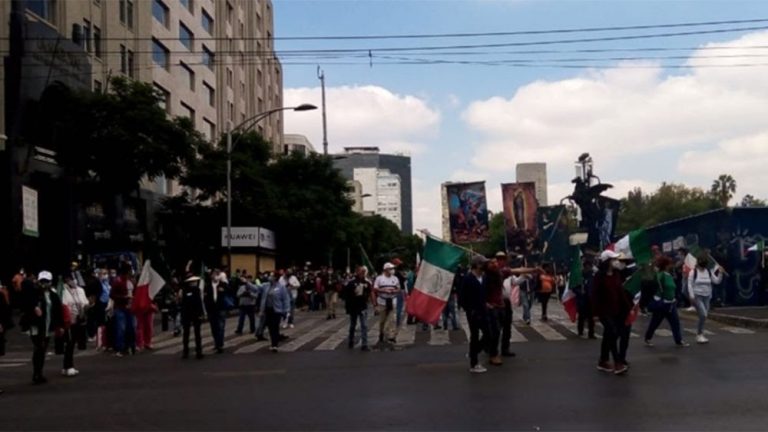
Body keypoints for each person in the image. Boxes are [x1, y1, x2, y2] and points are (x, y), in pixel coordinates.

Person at [591, 251, 633, 375]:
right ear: (606, 261)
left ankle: (603, 360)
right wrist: (594, 314)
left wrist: (629, 307)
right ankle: (617, 363)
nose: (616, 261)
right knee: (612, 332)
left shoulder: (616, 274)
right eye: (613, 259)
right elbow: (594, 295)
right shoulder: (599, 276)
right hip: (604, 311)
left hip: (616, 310)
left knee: (609, 334)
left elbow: (620, 292)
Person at [20, 271, 64, 384]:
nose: (44, 284)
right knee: (39, 347)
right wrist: (34, 307)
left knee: (42, 349)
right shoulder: (34, 293)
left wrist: (60, 325)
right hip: (36, 325)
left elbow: (58, 311)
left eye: (47, 281)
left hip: (48, 326)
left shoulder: (53, 295)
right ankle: (36, 373)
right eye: (42, 281)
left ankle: (39, 372)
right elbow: (25, 300)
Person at [644, 256, 690, 348]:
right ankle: (647, 338)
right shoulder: (660, 275)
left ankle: (679, 340)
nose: (672, 265)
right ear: (665, 265)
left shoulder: (669, 275)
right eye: (670, 264)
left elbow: (673, 288)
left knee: (675, 323)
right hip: (662, 304)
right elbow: (653, 287)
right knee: (655, 323)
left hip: (671, 304)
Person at [458, 256, 490, 373]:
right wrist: (469, 309)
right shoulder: (467, 279)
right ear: (477, 265)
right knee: (475, 336)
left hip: (483, 310)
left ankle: (473, 352)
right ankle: (474, 363)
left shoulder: (484, 277)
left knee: (488, 334)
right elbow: (462, 298)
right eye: (483, 264)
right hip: (473, 312)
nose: (485, 266)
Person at [688, 253, 723, 344]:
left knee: (703, 316)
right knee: (703, 315)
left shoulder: (708, 271)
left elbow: (716, 281)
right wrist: (691, 296)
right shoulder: (693, 272)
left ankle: (700, 333)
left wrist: (720, 273)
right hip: (697, 296)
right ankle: (699, 334)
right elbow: (690, 284)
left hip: (707, 296)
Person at [61, 275, 89, 377]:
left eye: (73, 279)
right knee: (69, 343)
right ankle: (68, 366)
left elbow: (85, 302)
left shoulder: (80, 290)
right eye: (69, 279)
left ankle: (67, 366)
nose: (72, 281)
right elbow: (64, 305)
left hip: (79, 319)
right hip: (68, 321)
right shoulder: (63, 291)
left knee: (72, 344)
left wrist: (85, 308)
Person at [259, 275, 292, 352]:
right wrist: (247, 283)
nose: (269, 278)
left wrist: (286, 310)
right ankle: (273, 343)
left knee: (275, 326)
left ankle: (275, 344)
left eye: (271, 276)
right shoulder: (266, 285)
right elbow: (256, 288)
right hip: (268, 309)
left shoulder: (281, 287)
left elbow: (285, 299)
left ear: (275, 278)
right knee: (270, 327)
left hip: (277, 310)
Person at [343, 266, 372, 351]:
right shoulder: (351, 283)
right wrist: (348, 307)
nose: (362, 273)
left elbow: (370, 292)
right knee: (353, 325)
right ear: (357, 272)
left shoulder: (367, 282)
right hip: (353, 306)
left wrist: (371, 301)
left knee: (364, 325)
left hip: (363, 306)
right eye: (361, 271)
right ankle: (351, 340)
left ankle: (364, 344)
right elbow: (346, 295)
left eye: (364, 272)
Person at [372, 263, 401, 347]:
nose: (392, 270)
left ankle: (391, 336)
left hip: (392, 300)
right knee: (382, 320)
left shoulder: (395, 278)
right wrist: (383, 290)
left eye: (393, 268)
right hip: (382, 301)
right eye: (390, 268)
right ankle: (381, 333)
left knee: (393, 319)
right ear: (385, 269)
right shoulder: (379, 278)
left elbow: (398, 288)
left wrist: (394, 291)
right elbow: (375, 289)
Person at [110, 265, 135, 357]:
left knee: (131, 328)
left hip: (130, 307)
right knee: (121, 328)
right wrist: (123, 297)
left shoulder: (131, 281)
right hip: (120, 307)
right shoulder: (118, 281)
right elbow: (112, 295)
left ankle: (130, 346)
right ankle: (120, 348)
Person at [484, 258, 505, 365]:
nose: (494, 264)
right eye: (491, 263)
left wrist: (534, 269)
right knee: (495, 331)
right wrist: (487, 304)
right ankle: (493, 354)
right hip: (491, 308)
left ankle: (486, 345)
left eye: (496, 262)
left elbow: (517, 270)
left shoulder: (499, 274)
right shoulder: (485, 277)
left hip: (500, 306)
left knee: (497, 330)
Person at [204, 269, 229, 354]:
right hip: (211, 309)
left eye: (217, 274)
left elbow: (229, 290)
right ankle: (217, 343)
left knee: (221, 327)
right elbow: (206, 299)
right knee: (214, 328)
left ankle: (219, 345)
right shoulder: (207, 286)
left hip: (221, 308)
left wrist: (223, 284)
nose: (215, 276)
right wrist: (206, 310)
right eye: (213, 274)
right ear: (211, 276)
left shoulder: (223, 284)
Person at [180, 275, 204, 359]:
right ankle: (185, 351)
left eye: (196, 281)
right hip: (187, 314)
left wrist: (201, 313)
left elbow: (199, 302)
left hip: (196, 314)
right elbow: (183, 304)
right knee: (186, 334)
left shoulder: (197, 290)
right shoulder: (185, 290)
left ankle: (199, 351)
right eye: (193, 282)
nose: (195, 283)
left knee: (197, 334)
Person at [576, 258, 596, 339]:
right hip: (582, 300)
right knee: (582, 317)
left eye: (590, 266)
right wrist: (580, 292)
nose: (589, 268)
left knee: (591, 318)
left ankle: (591, 333)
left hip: (590, 300)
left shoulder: (592, 276)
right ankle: (580, 330)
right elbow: (574, 287)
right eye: (587, 267)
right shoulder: (579, 276)